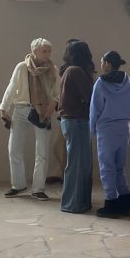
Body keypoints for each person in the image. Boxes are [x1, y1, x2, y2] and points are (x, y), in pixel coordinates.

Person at [0, 37, 59, 201]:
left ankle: (38, 188)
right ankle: (18, 185)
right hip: (21, 109)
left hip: (42, 112)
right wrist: (3, 108)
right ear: (34, 51)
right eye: (43, 51)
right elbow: (11, 87)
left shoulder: (52, 69)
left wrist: (52, 105)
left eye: (49, 51)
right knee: (14, 148)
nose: (47, 54)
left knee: (42, 152)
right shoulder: (22, 67)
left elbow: (57, 91)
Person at [90, 51, 130, 218]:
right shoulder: (129, 81)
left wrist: (92, 128)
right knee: (119, 166)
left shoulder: (101, 84)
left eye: (102, 62)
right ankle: (126, 200)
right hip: (124, 127)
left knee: (106, 167)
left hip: (106, 128)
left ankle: (111, 202)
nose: (101, 65)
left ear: (108, 64)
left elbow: (95, 109)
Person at [58, 40, 95, 213]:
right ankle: (72, 204)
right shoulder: (76, 71)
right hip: (77, 121)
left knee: (83, 164)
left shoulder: (72, 70)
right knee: (77, 164)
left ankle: (81, 203)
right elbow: (89, 96)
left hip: (75, 121)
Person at [49, 38, 80, 184]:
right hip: (63, 113)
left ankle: (69, 175)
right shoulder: (63, 68)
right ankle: (62, 172)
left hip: (75, 114)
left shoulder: (81, 69)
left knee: (71, 147)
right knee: (59, 145)